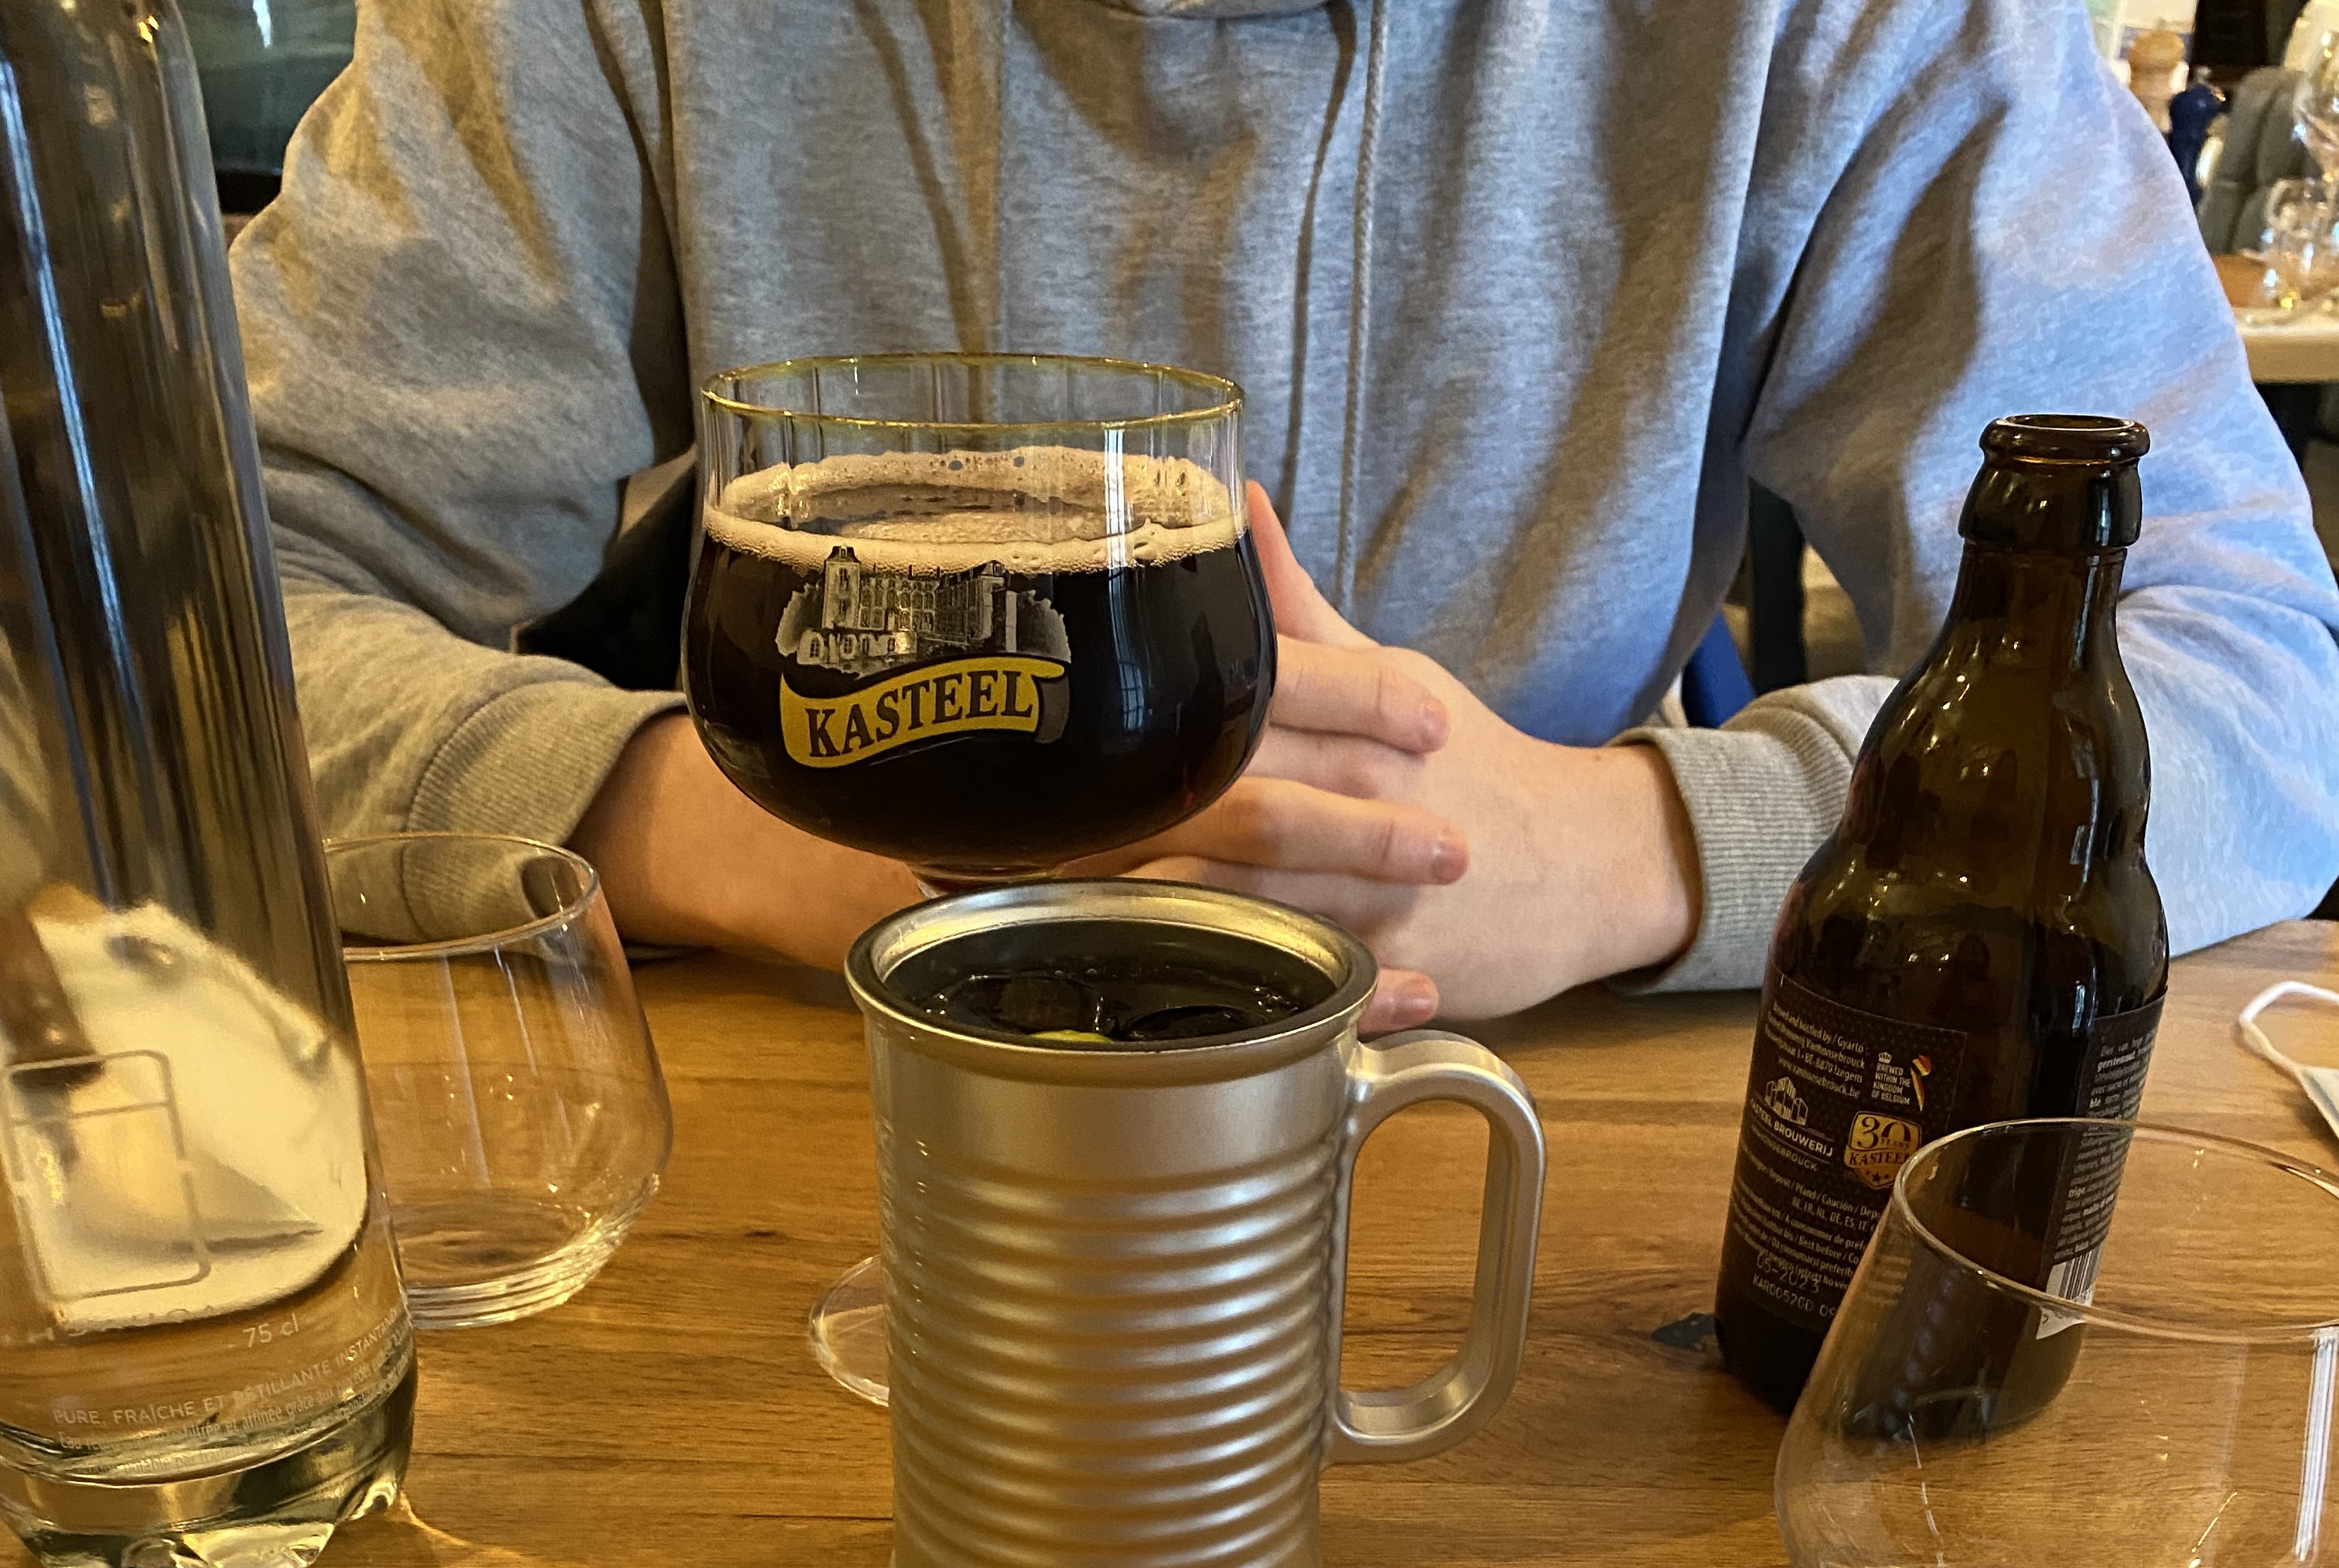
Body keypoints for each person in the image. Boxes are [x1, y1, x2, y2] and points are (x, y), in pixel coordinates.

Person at [232, 0, 2339, 1040]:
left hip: (1516, 1115)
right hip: (827, 1106)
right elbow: (165, 635)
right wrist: (713, 822)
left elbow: (2252, 680)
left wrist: (1634, 849)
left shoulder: (1871, 28)